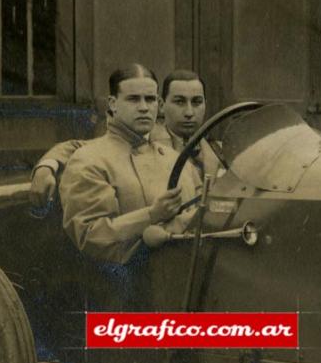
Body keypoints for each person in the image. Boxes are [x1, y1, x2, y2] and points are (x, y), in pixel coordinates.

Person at [57, 64, 200, 264]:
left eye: (150, 99)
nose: (143, 107)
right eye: (133, 99)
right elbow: (89, 236)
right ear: (113, 104)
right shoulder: (89, 160)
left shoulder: (176, 159)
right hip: (129, 286)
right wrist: (151, 215)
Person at [28, 71, 221, 209]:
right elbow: (79, 148)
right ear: (162, 105)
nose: (189, 112)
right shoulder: (143, 137)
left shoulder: (218, 151)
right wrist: (46, 167)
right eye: (179, 102)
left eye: (197, 102)